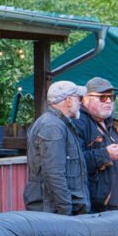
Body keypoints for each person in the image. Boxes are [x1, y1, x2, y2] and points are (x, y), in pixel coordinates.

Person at [24, 80, 89, 216]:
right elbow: (54, 173)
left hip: (55, 211)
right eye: (79, 99)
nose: (81, 103)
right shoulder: (52, 126)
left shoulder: (56, 123)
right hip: (54, 213)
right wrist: (65, 210)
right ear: (69, 100)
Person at [74, 76, 118, 212]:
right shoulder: (78, 124)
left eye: (111, 97)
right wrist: (105, 155)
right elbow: (73, 163)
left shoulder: (116, 127)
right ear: (85, 99)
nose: (108, 101)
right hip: (94, 210)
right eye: (103, 97)